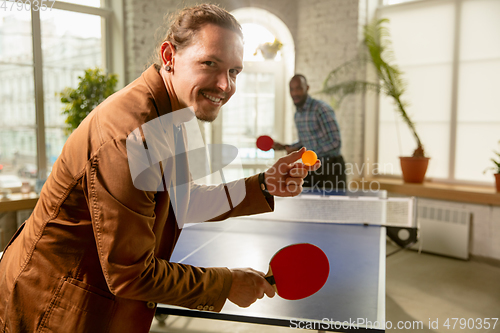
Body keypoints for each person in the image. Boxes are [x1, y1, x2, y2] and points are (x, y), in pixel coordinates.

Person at [0, 4, 319, 333]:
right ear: (170, 55)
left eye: (234, 71)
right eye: (210, 63)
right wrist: (225, 284)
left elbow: (184, 201)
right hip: (49, 304)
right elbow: (132, 272)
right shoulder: (131, 137)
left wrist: (264, 185)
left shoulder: (175, 115)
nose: (225, 85)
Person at [274, 74, 346, 191]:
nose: (295, 93)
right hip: (311, 168)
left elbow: (335, 142)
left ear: (307, 88)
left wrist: (309, 153)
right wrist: (285, 147)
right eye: (292, 89)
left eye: (299, 88)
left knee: (333, 208)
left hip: (331, 168)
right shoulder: (297, 115)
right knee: (306, 205)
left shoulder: (321, 109)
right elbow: (305, 142)